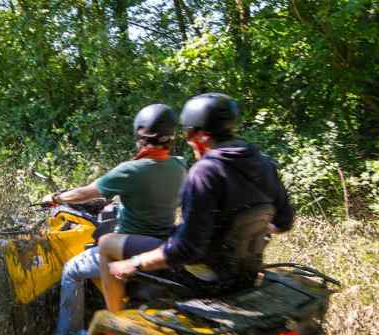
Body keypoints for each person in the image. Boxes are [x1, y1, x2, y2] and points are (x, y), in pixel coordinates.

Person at [99, 93, 295, 312]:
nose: (188, 140)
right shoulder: (264, 163)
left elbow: (186, 251)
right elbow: (284, 221)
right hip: (244, 273)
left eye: (188, 134)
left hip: (206, 278)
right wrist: (241, 234)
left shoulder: (205, 172)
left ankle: (114, 321)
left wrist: (133, 263)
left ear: (201, 136)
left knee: (107, 244)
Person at [39, 103, 187, 335]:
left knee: (71, 270)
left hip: (128, 247)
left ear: (140, 135)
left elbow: (85, 193)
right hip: (161, 245)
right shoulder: (179, 166)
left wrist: (56, 197)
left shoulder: (131, 170)